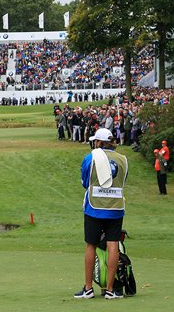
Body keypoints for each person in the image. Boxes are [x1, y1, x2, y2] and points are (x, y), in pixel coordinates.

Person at [74, 128, 128, 300]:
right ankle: (110, 289)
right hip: (115, 207)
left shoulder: (91, 157)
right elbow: (123, 182)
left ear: (98, 142)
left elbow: (84, 182)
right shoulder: (123, 159)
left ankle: (88, 288)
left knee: (91, 244)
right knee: (113, 244)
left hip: (94, 207)